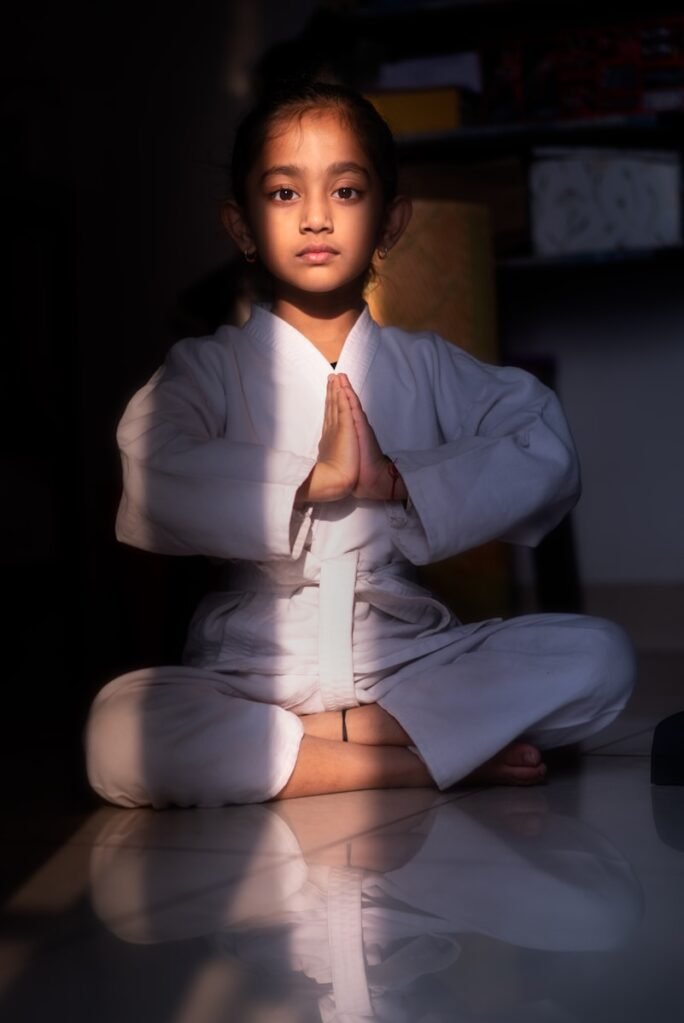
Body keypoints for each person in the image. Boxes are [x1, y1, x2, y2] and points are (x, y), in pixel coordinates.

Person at [85, 81, 636, 808]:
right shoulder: (209, 369)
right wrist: (310, 478)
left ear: (389, 221)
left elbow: (542, 442)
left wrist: (399, 482)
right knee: (118, 729)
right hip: (255, 671)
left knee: (602, 660)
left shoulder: (427, 366)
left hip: (406, 657)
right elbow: (151, 461)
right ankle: (412, 760)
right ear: (242, 225)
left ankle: (320, 747)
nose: (315, 216)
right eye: (284, 194)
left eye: (346, 192)